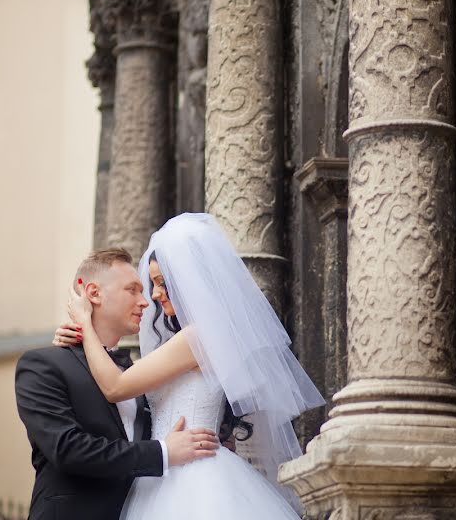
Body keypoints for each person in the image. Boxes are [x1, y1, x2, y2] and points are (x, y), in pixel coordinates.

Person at [55, 213, 324, 518]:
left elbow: (116, 387)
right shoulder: (199, 336)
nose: (154, 295)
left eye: (160, 284)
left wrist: (84, 324)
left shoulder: (198, 337)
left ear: (184, 281)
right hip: (166, 469)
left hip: (191, 477)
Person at [15, 248, 221, 520]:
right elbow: (68, 449)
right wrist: (162, 452)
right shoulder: (42, 365)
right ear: (93, 293)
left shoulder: (134, 373)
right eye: (133, 290)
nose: (146, 301)